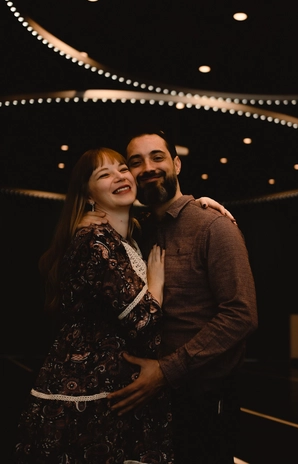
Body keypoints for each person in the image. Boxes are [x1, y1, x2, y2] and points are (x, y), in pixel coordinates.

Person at [82, 128, 258, 464]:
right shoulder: (138, 229)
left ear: (176, 164)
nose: (147, 167)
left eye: (157, 157)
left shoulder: (214, 226)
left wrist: (166, 370)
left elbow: (241, 314)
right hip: (151, 398)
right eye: (136, 162)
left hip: (203, 395)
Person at [14, 147, 173, 464]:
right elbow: (144, 320)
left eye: (122, 168)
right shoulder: (94, 239)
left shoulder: (126, 238)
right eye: (105, 174)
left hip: (118, 396)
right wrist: (156, 280)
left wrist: (201, 206)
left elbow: (170, 213)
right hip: (91, 401)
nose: (120, 175)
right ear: (88, 194)